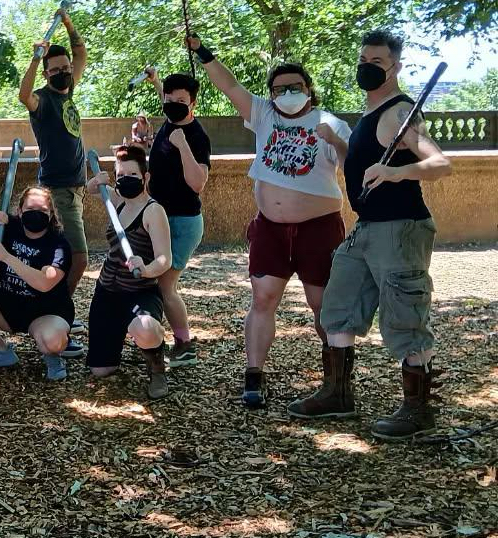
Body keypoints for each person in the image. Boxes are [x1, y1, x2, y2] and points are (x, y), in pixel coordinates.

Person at [288, 30, 452, 440]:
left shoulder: (399, 113)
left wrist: (396, 171)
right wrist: (341, 147)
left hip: (400, 228)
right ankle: (337, 394)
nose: (367, 67)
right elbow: (360, 175)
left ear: (395, 67)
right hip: (365, 229)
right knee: (338, 307)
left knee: (404, 319)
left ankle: (418, 411)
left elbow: (440, 163)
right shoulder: (369, 117)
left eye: (377, 62)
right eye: (364, 59)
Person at [186, 34, 353, 408]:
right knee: (263, 298)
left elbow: (352, 164)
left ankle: (337, 383)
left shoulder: (330, 123)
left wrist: (337, 142)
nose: (287, 93)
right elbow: (228, 84)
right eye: (279, 88)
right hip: (270, 228)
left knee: (321, 303)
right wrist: (202, 51)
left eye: (294, 86)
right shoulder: (262, 114)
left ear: (309, 88)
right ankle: (254, 377)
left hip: (318, 228)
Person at [130, 67, 211, 371]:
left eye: (180, 101)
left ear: (193, 104)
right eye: (168, 99)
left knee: (166, 287)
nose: (172, 104)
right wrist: (155, 82)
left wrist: (183, 146)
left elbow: (198, 183)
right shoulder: (169, 120)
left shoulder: (196, 137)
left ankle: (185, 344)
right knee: (154, 283)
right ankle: (157, 337)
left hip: (182, 222)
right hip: (160, 216)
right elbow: (168, 97)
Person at [18, 7, 88, 358]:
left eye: (65, 69)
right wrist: (35, 59)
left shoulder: (68, 93)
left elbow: (80, 53)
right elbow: (23, 95)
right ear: (47, 73)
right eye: (54, 70)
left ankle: (56, 313)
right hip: (57, 190)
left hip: (74, 189)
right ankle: (57, 313)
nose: (62, 73)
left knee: (65, 260)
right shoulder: (44, 101)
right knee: (78, 259)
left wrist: (67, 23)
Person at [85, 145, 173, 399]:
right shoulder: (118, 200)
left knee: (145, 329)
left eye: (132, 175)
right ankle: (124, 337)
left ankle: (156, 363)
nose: (125, 180)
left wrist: (146, 269)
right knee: (101, 370)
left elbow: (164, 259)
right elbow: (92, 190)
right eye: (120, 175)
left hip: (139, 291)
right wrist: (96, 181)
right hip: (107, 292)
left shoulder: (153, 211)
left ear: (145, 178)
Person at [0, 186, 74, 380]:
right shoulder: (9, 225)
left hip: (47, 310)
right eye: (31, 208)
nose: (36, 214)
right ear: (20, 211)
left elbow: (44, 283)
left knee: (52, 340)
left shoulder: (59, 245)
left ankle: (53, 356)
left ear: (51, 215)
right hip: (10, 303)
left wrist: (6, 257)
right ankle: (1, 351)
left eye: (42, 210)